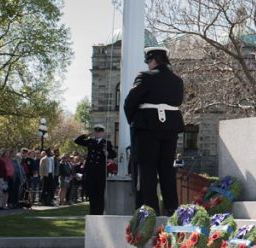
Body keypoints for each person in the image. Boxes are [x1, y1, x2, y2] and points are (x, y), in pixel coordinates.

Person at [124, 45, 185, 214]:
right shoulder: (177, 80)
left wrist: (134, 121)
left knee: (147, 170)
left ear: (153, 60)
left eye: (148, 61)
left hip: (147, 127)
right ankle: (172, 208)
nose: (148, 64)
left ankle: (150, 210)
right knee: (167, 170)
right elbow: (178, 101)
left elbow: (130, 102)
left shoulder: (144, 77)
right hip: (170, 128)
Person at [74, 125, 115, 215]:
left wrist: (107, 153)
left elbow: (113, 155)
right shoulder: (90, 141)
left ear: (103, 133)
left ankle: (99, 212)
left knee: (100, 193)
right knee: (91, 192)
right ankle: (93, 212)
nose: (97, 134)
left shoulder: (106, 143)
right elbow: (77, 141)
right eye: (96, 132)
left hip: (100, 171)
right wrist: (87, 135)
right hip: (90, 171)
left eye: (99, 132)